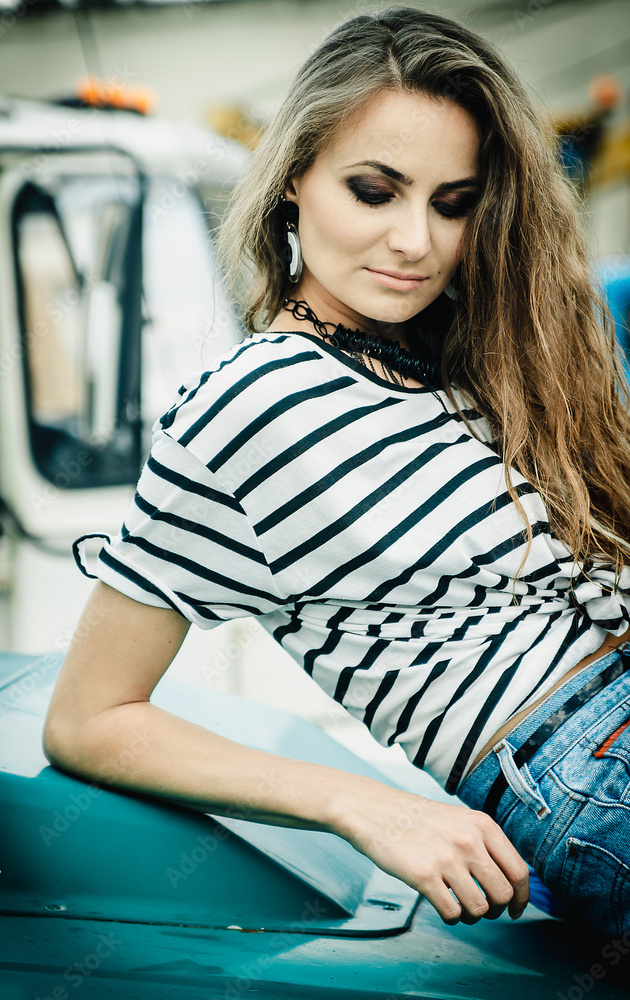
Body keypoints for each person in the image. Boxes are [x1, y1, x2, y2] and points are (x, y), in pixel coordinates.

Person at [42, 6, 630, 935]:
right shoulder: (246, 410)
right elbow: (88, 717)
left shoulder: (471, 353)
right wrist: (365, 804)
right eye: (373, 191)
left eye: (452, 202)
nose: (415, 243)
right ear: (292, 182)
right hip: (581, 765)